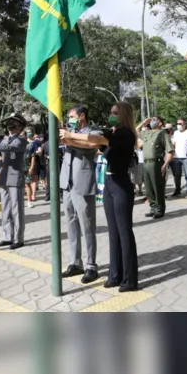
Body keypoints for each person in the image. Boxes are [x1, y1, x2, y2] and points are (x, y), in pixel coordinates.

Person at [61, 102, 139, 292]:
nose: (111, 115)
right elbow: (92, 141)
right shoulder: (113, 131)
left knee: (124, 233)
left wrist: (70, 135)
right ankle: (114, 275)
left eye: (115, 113)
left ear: (124, 115)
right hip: (110, 185)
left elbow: (96, 140)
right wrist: (70, 138)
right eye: (111, 112)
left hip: (121, 185)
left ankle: (129, 279)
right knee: (113, 233)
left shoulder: (125, 134)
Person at [58, 105, 101, 285]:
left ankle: (91, 265)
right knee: (71, 224)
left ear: (82, 116)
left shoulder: (93, 131)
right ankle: (76, 262)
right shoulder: (70, 132)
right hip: (67, 183)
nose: (70, 119)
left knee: (87, 225)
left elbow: (89, 146)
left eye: (73, 116)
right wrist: (66, 135)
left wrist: (69, 139)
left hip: (82, 184)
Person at [0, 114, 27, 250]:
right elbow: (0, 150)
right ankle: (8, 236)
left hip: (15, 177)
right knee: (5, 209)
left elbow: (9, 148)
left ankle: (18, 238)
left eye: (14, 124)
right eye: (9, 124)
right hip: (4, 177)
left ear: (19, 127)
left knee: (16, 209)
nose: (10, 126)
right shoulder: (6, 139)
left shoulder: (21, 140)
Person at [137, 116, 174, 219]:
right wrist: (144, 121)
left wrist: (165, 165)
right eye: (152, 119)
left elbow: (170, 151)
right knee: (148, 188)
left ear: (161, 123)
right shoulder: (147, 133)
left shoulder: (163, 134)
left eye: (156, 120)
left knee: (157, 187)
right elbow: (136, 130)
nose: (153, 121)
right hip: (146, 163)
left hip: (156, 163)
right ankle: (153, 208)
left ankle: (160, 209)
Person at [171, 119, 187, 198]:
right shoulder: (176, 133)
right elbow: (173, 143)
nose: (178, 125)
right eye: (177, 123)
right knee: (177, 175)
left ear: (184, 124)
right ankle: (177, 190)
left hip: (186, 157)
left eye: (180, 123)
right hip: (176, 157)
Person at [24, 127, 40, 208]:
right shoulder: (22, 142)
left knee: (28, 183)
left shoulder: (33, 143)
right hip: (20, 165)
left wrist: (31, 167)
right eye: (27, 132)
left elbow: (33, 156)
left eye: (30, 132)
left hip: (28, 165)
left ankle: (29, 200)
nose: (28, 133)